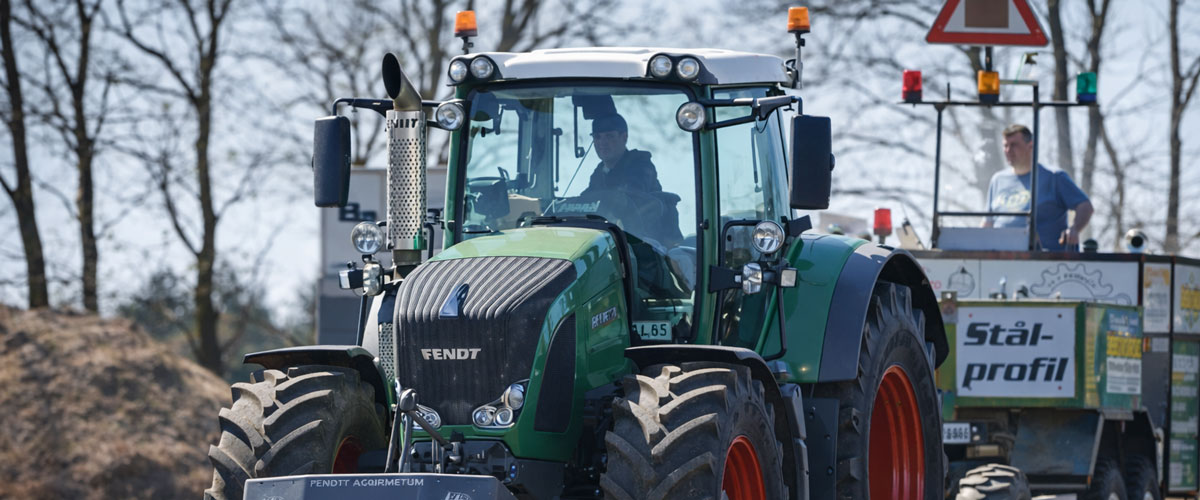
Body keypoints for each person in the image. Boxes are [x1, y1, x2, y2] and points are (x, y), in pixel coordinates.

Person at [983, 124, 1094, 251]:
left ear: (1030, 146)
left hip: (1044, 258)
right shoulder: (997, 180)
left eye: (1014, 145)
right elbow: (988, 223)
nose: (1008, 150)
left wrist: (1074, 229)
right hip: (1001, 257)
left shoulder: (1054, 177)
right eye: (1005, 146)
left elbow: (1085, 206)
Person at [582, 113, 662, 195]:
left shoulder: (640, 166)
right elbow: (587, 198)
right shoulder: (600, 172)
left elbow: (632, 195)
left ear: (624, 137)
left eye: (609, 136)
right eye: (597, 137)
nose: (602, 142)